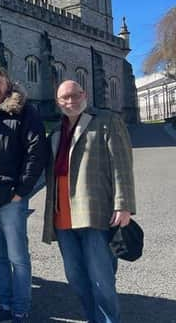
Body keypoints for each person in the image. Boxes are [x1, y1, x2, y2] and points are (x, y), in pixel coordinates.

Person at [42, 80, 136, 323]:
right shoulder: (56, 131)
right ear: (58, 102)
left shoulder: (106, 120)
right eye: (64, 98)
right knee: (75, 277)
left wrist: (123, 203)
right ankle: (93, 318)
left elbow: (122, 164)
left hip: (94, 213)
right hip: (63, 218)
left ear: (84, 94)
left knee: (101, 278)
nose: (70, 101)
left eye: (75, 95)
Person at [0, 66, 49, 323]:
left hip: (11, 198)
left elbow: (37, 152)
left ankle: (20, 309)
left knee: (18, 258)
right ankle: (4, 305)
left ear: (8, 84)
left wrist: (21, 191)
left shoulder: (24, 111)